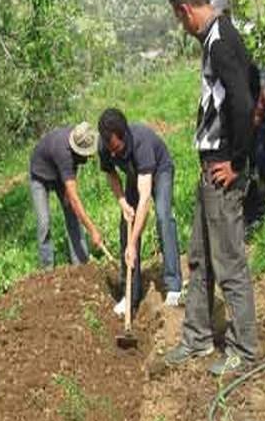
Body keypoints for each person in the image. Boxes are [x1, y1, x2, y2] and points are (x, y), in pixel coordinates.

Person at [165, 0, 259, 376]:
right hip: (209, 170)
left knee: (229, 261)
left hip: (222, 170)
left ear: (186, 10)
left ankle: (243, 348)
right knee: (201, 259)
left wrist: (237, 162)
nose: (181, 27)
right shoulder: (216, 38)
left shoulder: (220, 41)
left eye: (178, 18)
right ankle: (197, 337)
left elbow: (243, 101)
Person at [97, 108, 183, 315]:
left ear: (124, 134)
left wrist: (134, 243)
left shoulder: (141, 141)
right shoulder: (104, 145)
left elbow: (145, 199)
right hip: (134, 174)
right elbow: (111, 174)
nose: (113, 153)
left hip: (160, 170)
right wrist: (122, 202)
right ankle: (131, 296)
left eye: (116, 148)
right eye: (110, 149)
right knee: (124, 228)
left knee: (163, 218)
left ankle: (173, 285)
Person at [211, 0, 265, 233]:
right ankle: (254, 208)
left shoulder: (247, 36)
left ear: (226, 14)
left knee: (263, 148)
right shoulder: (220, 41)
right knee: (249, 152)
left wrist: (257, 115)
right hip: (248, 96)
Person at [29, 121, 104, 268]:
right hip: (39, 176)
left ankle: (81, 264)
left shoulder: (80, 135)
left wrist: (67, 195)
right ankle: (47, 269)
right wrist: (93, 230)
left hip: (60, 175)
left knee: (72, 215)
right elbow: (75, 199)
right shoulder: (63, 152)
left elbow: (73, 166)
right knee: (44, 222)